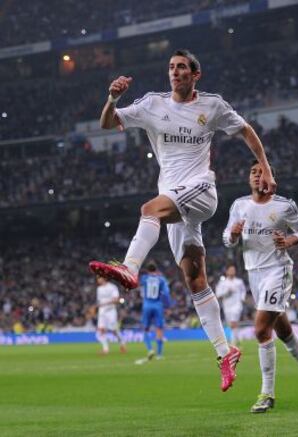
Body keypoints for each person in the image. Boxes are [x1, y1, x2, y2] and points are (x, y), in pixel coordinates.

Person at [89, 49, 276, 391]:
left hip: (201, 190)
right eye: (171, 67)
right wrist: (111, 98)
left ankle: (130, 267)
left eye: (182, 68)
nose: (175, 72)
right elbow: (106, 123)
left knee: (149, 210)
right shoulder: (151, 104)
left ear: (195, 74)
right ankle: (225, 351)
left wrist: (264, 165)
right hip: (174, 199)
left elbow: (246, 130)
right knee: (195, 279)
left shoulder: (212, 106)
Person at [223, 160, 298, 413]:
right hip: (253, 274)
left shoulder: (284, 205)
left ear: (270, 179)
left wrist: (289, 241)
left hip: (278, 271)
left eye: (261, 172)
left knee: (260, 330)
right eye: (253, 172)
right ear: (249, 179)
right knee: (284, 331)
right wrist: (233, 234)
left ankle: (267, 394)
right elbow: (226, 239)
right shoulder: (239, 205)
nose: (257, 176)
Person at [135, 261, 171, 364]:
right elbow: (166, 293)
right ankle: (159, 355)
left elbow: (136, 284)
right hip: (158, 305)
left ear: (147, 270)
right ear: (156, 269)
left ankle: (150, 349)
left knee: (145, 328)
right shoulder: (161, 279)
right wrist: (167, 306)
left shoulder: (144, 278)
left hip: (147, 305)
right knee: (159, 329)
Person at [215, 264, 246, 346]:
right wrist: (226, 292)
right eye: (231, 270)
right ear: (227, 271)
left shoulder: (239, 282)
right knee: (231, 324)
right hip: (227, 306)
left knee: (233, 323)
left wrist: (242, 299)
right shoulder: (223, 283)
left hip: (237, 305)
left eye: (234, 270)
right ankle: (237, 339)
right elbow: (218, 294)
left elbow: (243, 290)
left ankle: (233, 344)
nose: (232, 271)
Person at [95, 275, 126, 355]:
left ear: (104, 278)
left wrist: (104, 303)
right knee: (101, 330)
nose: (98, 280)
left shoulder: (112, 287)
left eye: (99, 278)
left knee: (114, 330)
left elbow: (115, 300)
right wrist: (96, 307)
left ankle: (122, 344)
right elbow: (99, 301)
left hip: (110, 311)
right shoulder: (99, 289)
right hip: (102, 312)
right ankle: (105, 349)